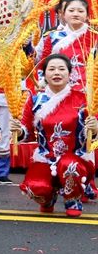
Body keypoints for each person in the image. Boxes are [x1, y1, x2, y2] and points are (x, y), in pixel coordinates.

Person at [12, 54, 97, 217]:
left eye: (61, 69)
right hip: (46, 158)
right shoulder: (35, 100)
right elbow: (26, 133)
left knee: (70, 166)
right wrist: (18, 130)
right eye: (51, 69)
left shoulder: (83, 99)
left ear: (69, 73)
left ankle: (73, 198)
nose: (56, 72)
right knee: (35, 186)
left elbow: (93, 134)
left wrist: (95, 128)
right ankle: (48, 198)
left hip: (76, 159)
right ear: (44, 74)